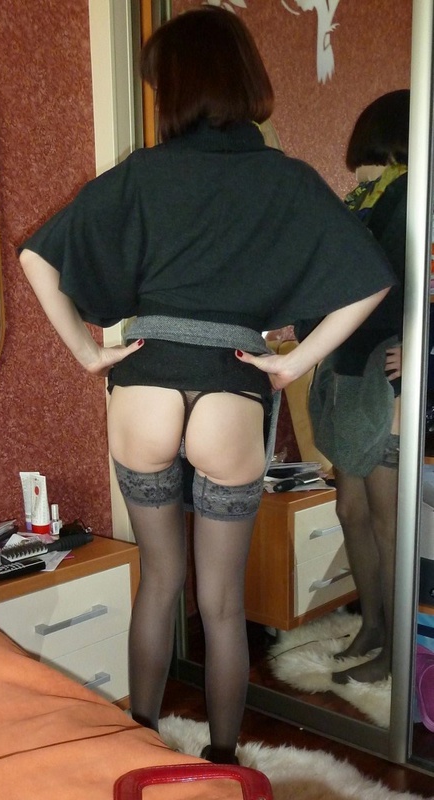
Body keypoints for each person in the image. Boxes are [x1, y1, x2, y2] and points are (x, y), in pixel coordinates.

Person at [18, 6, 395, 763]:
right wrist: (292, 363)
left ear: (174, 88)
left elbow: (36, 258)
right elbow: (370, 280)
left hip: (145, 388)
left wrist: (89, 354)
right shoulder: (286, 178)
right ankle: (223, 763)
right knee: (221, 605)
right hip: (230, 389)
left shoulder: (142, 171)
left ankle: (140, 748)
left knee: (160, 581)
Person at [302, 90, 409, 685]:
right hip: (345, 366)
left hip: (381, 370)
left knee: (388, 521)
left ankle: (397, 647)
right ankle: (372, 625)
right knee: (350, 508)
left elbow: (402, 281)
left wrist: (419, 345)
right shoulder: (364, 198)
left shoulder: (410, 193)